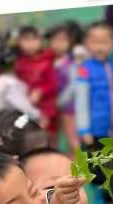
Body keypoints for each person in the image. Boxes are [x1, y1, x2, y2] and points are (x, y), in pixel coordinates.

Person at [76, 22, 113, 147]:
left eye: (104, 42)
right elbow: (81, 102)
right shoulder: (85, 69)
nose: (99, 47)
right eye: (95, 42)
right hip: (94, 134)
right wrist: (84, 130)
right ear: (87, 44)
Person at [0, 36, 41, 123]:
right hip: (11, 128)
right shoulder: (10, 83)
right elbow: (27, 112)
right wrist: (36, 111)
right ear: (15, 62)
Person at [14, 26, 58, 142]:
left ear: (40, 41)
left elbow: (53, 83)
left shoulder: (48, 59)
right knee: (30, 139)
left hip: (47, 107)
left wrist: (40, 91)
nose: (30, 44)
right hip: (27, 108)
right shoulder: (19, 63)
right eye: (25, 40)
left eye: (33, 40)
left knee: (49, 139)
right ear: (19, 42)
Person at [48, 25, 79, 153]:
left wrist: (60, 102)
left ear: (69, 42)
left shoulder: (72, 63)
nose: (59, 44)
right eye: (56, 40)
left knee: (72, 140)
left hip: (68, 107)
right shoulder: (47, 62)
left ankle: (82, 168)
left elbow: (73, 86)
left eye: (63, 40)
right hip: (51, 108)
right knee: (52, 140)